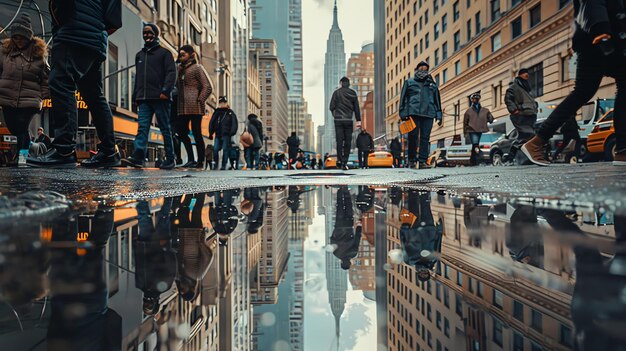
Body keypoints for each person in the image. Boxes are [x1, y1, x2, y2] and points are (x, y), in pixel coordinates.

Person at [522, 0, 626, 166]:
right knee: (583, 92)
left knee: (587, 91)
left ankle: (622, 150)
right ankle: (537, 142)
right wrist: (600, 29)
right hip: (597, 37)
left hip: (613, 37)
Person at [27, 2, 121, 168]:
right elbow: (114, 20)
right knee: (93, 95)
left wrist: (62, 21)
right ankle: (109, 151)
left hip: (73, 32)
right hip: (96, 38)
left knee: (61, 83)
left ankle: (64, 149)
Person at [121, 24, 177, 169]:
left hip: (160, 98)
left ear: (156, 34)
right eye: (145, 33)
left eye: (150, 32)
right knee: (142, 128)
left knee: (165, 129)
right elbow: (138, 78)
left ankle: (170, 159)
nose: (147, 35)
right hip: (143, 99)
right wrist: (135, 97)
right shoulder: (139, 55)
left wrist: (165, 91)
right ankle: (138, 157)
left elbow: (171, 73)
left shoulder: (165, 53)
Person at [0, 14, 49, 160]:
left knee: (21, 127)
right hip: (7, 96)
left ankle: (22, 159)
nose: (18, 40)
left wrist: (44, 96)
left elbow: (46, 78)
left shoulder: (38, 54)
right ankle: (35, 147)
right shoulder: (4, 51)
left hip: (30, 99)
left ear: (29, 37)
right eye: (15, 37)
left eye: (22, 37)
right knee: (13, 128)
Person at [399, 61, 442, 169]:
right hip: (413, 113)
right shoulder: (409, 82)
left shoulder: (432, 84)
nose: (423, 71)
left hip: (428, 113)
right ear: (416, 70)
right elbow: (403, 99)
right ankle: (412, 160)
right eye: (421, 69)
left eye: (425, 69)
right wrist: (403, 113)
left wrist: (439, 114)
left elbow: (437, 100)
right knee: (412, 137)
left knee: (425, 138)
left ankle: (422, 161)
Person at [176, 45, 212, 169]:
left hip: (195, 106)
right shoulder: (179, 69)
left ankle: (200, 161)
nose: (181, 57)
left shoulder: (197, 68)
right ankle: (190, 159)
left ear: (191, 55)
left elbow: (207, 86)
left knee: (197, 133)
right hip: (182, 107)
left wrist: (200, 100)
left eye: (183, 54)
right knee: (181, 132)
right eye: (180, 55)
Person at [400, 190, 442, 281]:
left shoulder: (409, 261)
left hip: (413, 231)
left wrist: (403, 230)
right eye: (425, 274)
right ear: (428, 273)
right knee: (426, 206)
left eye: (421, 274)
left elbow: (403, 245)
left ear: (418, 273)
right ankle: (424, 190)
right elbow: (438, 244)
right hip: (428, 230)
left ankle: (412, 191)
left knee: (413, 208)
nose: (423, 272)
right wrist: (439, 231)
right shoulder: (433, 260)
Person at [503, 68, 538, 163]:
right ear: (520, 75)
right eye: (524, 73)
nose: (527, 75)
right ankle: (531, 157)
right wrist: (514, 110)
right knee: (530, 134)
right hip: (520, 116)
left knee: (523, 137)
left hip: (530, 115)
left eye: (527, 73)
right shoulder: (514, 87)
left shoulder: (527, 88)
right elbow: (508, 99)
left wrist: (535, 107)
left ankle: (511, 157)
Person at [330, 77, 361, 170]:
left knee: (339, 141)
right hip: (348, 120)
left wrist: (335, 115)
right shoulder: (353, 93)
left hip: (338, 121)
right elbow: (356, 108)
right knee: (348, 142)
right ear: (349, 83)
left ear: (341, 83)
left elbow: (331, 107)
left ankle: (339, 160)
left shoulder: (336, 93)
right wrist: (358, 120)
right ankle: (344, 162)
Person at [331, 186, 362, 270]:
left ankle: (345, 189)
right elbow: (332, 241)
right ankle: (339, 189)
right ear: (341, 263)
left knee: (348, 206)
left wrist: (359, 227)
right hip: (339, 226)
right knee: (340, 206)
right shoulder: (336, 254)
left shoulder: (353, 253)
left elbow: (357, 238)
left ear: (349, 263)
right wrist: (335, 234)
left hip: (349, 226)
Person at [463, 92, 494, 166]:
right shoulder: (468, 111)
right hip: (472, 130)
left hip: (481, 129)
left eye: (476, 98)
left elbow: (491, 118)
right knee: (476, 145)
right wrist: (465, 133)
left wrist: (490, 119)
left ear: (479, 99)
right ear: (471, 100)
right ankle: (479, 159)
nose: (475, 100)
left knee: (475, 145)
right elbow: (465, 123)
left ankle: (473, 161)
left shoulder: (485, 110)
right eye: (473, 99)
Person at [208, 96, 238, 170]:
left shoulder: (230, 112)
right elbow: (212, 122)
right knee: (215, 150)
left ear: (226, 103)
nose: (222, 104)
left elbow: (234, 123)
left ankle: (223, 165)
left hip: (226, 135)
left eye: (224, 103)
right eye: (221, 103)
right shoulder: (217, 112)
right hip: (218, 134)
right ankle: (215, 165)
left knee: (225, 150)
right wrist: (210, 133)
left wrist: (231, 133)